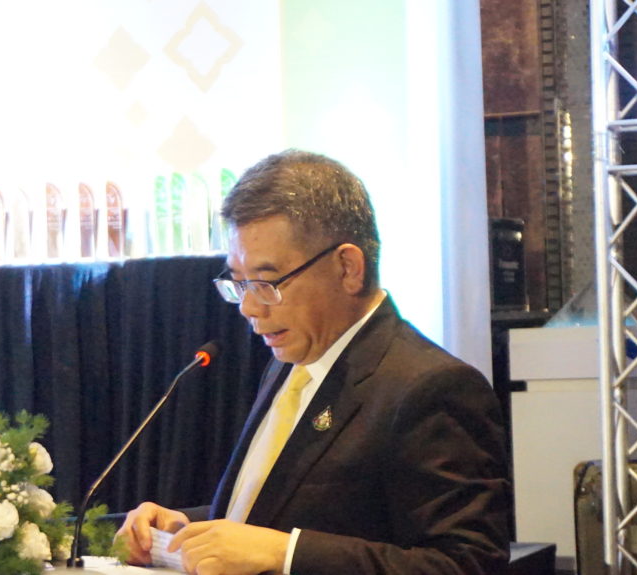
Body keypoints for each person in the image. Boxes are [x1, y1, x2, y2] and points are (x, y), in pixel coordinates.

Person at [116, 151, 511, 574]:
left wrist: (286, 553)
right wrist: (185, 528)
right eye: (239, 282)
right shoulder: (289, 363)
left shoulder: (430, 388)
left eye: (267, 282)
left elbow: (467, 563)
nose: (249, 307)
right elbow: (281, 512)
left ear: (348, 268)